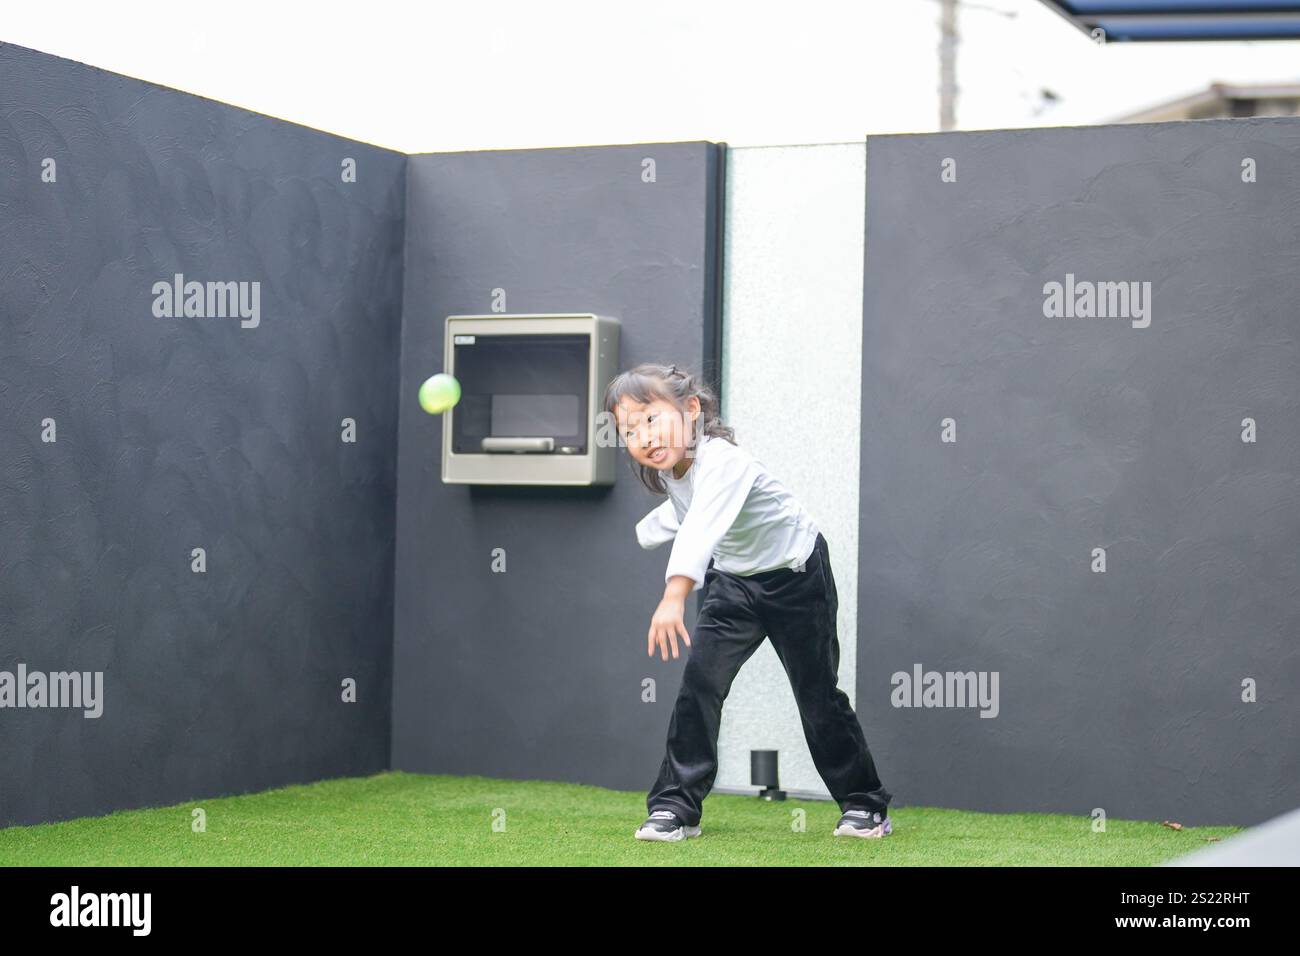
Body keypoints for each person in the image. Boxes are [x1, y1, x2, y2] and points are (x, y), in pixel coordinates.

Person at [605, 361, 893, 842]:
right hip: (734, 584)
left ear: (692, 409)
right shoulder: (676, 469)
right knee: (700, 687)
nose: (643, 436)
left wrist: (674, 595)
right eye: (629, 430)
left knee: (817, 695)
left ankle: (865, 805)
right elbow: (686, 512)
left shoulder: (723, 461)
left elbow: (702, 524)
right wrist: (646, 532)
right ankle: (676, 808)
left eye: (651, 419)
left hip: (796, 576)